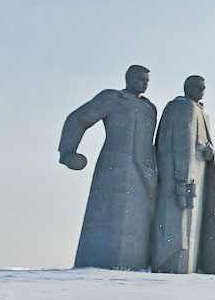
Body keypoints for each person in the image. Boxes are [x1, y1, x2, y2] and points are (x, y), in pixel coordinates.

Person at [58, 65, 158, 270]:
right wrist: (68, 152)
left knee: (137, 222)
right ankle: (99, 264)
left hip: (145, 169)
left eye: (147, 81)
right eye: (140, 79)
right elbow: (78, 118)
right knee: (109, 216)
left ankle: (134, 265)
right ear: (128, 78)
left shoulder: (149, 108)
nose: (144, 84)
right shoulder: (112, 98)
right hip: (115, 165)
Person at [151, 76, 215, 274]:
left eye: (204, 87)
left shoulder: (202, 113)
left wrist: (210, 150)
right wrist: (183, 173)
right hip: (181, 174)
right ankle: (170, 264)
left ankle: (188, 264)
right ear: (186, 88)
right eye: (197, 87)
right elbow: (181, 142)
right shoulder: (181, 107)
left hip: (198, 172)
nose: (201, 90)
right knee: (177, 221)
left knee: (191, 223)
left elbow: (201, 141)